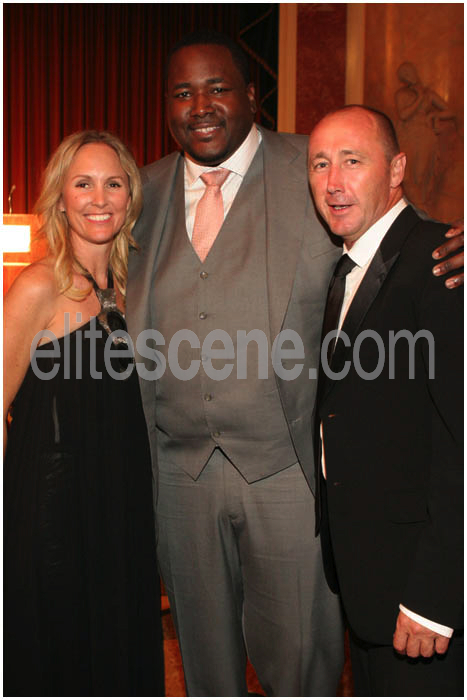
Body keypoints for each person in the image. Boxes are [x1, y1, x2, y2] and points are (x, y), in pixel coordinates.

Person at [126, 31, 463, 696]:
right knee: (203, 666)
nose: (201, 104)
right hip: (178, 475)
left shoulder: (312, 168)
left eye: (218, 87)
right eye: (183, 92)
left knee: (302, 665)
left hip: (290, 473)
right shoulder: (142, 191)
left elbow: (404, 248)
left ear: (253, 97)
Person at [3, 131, 165, 697]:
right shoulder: (39, 285)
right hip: (53, 513)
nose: (99, 198)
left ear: (130, 198)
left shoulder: (129, 289)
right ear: (61, 198)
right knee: (62, 654)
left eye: (113, 183)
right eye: (83, 183)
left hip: (119, 505)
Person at [309, 105, 463, 696]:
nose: (334, 181)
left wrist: (436, 593)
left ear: (397, 169)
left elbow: (461, 444)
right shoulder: (347, 268)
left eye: (354, 160)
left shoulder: (442, 262)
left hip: (421, 595)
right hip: (371, 582)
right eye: (320, 163)